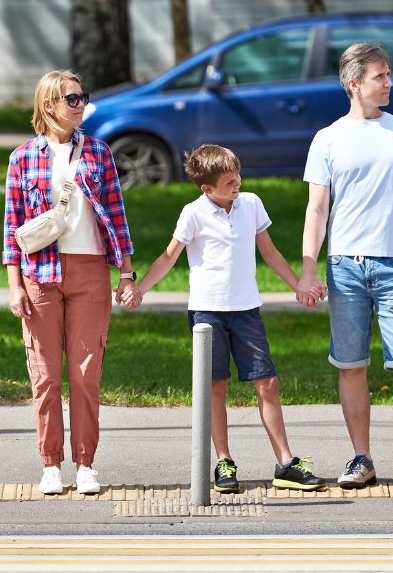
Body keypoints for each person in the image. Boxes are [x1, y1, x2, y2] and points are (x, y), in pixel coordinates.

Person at [124, 144, 326, 494]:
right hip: (208, 312)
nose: (238, 184)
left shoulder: (251, 205)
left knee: (268, 383)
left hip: (246, 310)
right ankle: (224, 462)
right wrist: (139, 288)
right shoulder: (193, 213)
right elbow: (168, 257)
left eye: (239, 177)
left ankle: (285, 462)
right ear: (208, 188)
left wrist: (299, 285)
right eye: (230, 181)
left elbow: (270, 251)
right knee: (216, 387)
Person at [296, 42, 393, 490]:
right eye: (380, 76)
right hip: (344, 267)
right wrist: (309, 268)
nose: (389, 83)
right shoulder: (327, 138)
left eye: (388, 75)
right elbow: (317, 210)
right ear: (353, 83)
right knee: (351, 365)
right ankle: (361, 458)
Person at [2, 69, 137, 496]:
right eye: (72, 99)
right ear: (49, 106)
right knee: (44, 376)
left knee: (85, 373)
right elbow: (12, 228)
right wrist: (14, 285)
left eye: (82, 98)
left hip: (91, 271)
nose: (81, 105)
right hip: (39, 273)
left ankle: (85, 463)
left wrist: (127, 271)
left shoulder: (99, 152)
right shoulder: (22, 157)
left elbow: (117, 215)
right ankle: (50, 464)